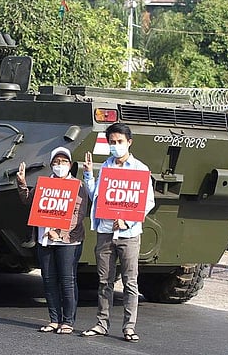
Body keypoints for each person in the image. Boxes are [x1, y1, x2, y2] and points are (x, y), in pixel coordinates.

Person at [81, 122, 155, 343]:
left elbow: (147, 201)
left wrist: (128, 221)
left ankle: (129, 327)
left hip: (129, 234)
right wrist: (88, 176)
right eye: (112, 142)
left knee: (130, 282)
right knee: (105, 281)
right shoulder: (105, 167)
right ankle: (101, 324)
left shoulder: (141, 169)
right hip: (105, 232)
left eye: (119, 142)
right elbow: (97, 196)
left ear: (129, 142)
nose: (116, 146)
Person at [17, 146, 88, 335]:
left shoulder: (78, 185)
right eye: (56, 162)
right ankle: (54, 319)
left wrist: (60, 232)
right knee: (48, 280)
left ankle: (68, 321)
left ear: (70, 164)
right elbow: (28, 201)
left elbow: (79, 213)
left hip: (68, 241)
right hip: (45, 240)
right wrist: (22, 183)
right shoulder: (44, 184)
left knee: (67, 280)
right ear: (51, 165)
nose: (60, 165)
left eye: (64, 162)